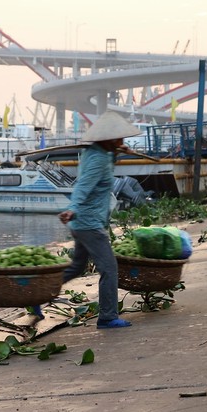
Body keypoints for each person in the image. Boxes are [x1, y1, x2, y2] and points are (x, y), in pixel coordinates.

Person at [58, 111, 141, 329]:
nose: (123, 142)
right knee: (109, 268)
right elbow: (84, 185)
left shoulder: (94, 152)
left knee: (77, 267)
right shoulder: (99, 160)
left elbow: (103, 165)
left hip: (82, 223)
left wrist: (118, 152)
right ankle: (107, 317)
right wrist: (72, 208)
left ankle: (40, 295)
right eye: (119, 139)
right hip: (89, 223)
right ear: (110, 139)